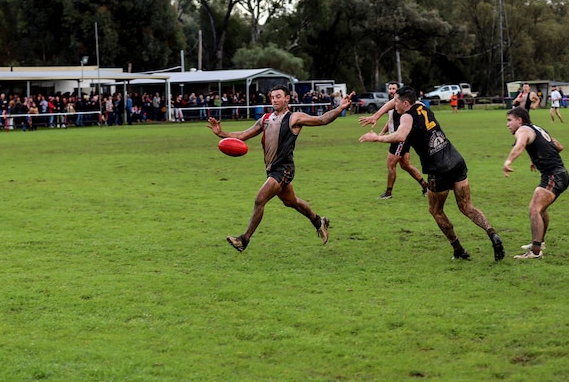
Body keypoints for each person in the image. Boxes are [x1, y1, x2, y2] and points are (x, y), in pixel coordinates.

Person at [359, 85, 505, 261]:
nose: (393, 104)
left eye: (396, 101)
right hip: (456, 160)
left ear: (405, 103)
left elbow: (400, 135)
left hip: (438, 169)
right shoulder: (421, 105)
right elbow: (395, 102)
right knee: (467, 207)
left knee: (436, 211)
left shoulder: (406, 117)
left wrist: (377, 138)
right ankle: (492, 234)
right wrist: (376, 115)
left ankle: (458, 249)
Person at [206, 85, 354, 252]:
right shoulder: (266, 119)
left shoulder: (294, 118)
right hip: (271, 169)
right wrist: (220, 133)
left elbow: (322, 119)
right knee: (291, 202)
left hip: (284, 169)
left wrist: (340, 107)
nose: (274, 100)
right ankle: (319, 221)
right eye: (272, 97)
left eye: (278, 96)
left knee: (260, 199)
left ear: (287, 99)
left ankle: (244, 240)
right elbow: (242, 136)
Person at [503, 107, 568, 259]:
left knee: (534, 209)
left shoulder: (523, 130)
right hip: (559, 174)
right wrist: (538, 158)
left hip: (553, 176)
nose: (507, 124)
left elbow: (520, 145)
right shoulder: (536, 129)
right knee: (541, 209)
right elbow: (558, 146)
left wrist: (508, 161)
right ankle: (540, 242)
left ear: (519, 120)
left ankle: (536, 252)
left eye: (509, 120)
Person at [376, 81, 427, 200]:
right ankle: (425, 186)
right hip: (397, 138)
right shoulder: (392, 104)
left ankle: (388, 193)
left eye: (394, 89)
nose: (391, 91)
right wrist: (383, 131)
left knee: (390, 164)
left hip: (400, 139)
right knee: (405, 165)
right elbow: (390, 121)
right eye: (390, 89)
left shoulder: (400, 105)